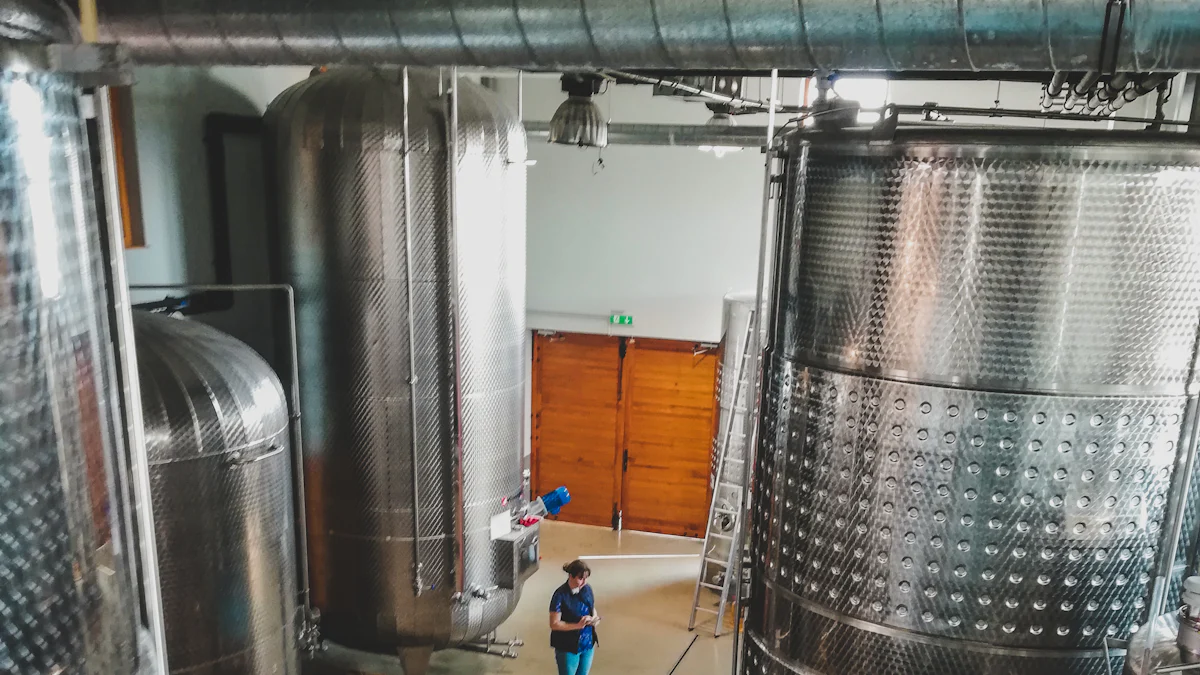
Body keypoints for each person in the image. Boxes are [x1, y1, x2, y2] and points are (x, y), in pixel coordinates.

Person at [549, 559, 600, 675]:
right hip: (568, 647)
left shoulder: (587, 589)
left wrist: (594, 619)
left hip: (587, 643)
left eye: (586, 578)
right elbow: (554, 624)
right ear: (571, 576)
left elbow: (591, 608)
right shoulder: (560, 595)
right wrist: (577, 626)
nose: (584, 582)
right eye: (580, 578)